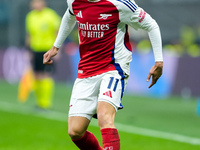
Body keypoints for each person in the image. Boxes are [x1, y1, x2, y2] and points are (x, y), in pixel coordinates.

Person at [43, 0, 163, 149]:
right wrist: (56, 46)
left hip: (113, 67)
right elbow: (69, 15)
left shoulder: (120, 4)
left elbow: (151, 25)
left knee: (104, 117)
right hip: (86, 70)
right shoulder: (74, 1)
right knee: (75, 131)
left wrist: (159, 61)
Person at [25, 0, 61, 109]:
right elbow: (29, 34)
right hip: (35, 49)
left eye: (37, 2)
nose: (34, 5)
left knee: (45, 75)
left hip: (47, 50)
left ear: (43, 3)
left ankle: (46, 103)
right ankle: (39, 102)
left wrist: (58, 48)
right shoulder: (30, 16)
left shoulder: (51, 15)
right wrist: (28, 50)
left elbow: (58, 32)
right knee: (36, 76)